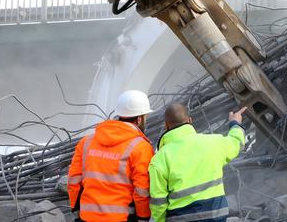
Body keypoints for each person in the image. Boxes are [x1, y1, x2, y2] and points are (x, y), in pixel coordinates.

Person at [149, 103, 248, 222]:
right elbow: (236, 142)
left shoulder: (159, 159)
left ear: (166, 125)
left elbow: (158, 202)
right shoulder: (214, 143)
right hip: (215, 217)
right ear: (190, 120)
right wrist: (235, 123)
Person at [68, 90, 154, 221]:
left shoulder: (86, 142)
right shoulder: (141, 147)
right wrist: (143, 217)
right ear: (140, 118)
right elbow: (142, 190)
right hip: (122, 218)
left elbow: (74, 180)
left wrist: (77, 209)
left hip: (87, 217)